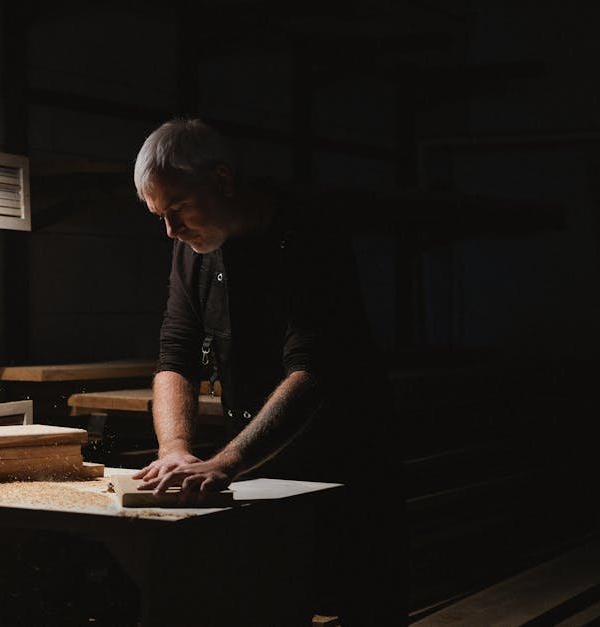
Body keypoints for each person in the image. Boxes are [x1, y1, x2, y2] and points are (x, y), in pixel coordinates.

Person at [131, 117, 408, 626]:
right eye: (159, 216)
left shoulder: (309, 232)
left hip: (346, 457)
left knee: (363, 600)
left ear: (221, 180)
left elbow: (313, 369)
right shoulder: (191, 249)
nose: (170, 230)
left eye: (177, 210)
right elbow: (176, 355)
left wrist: (227, 461)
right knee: (269, 601)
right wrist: (174, 448)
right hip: (261, 457)